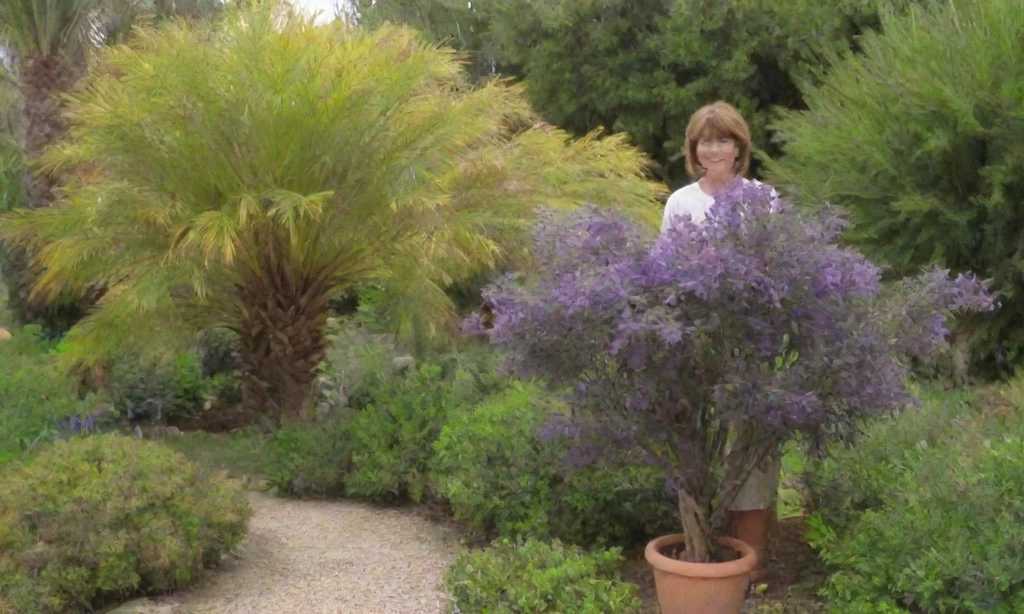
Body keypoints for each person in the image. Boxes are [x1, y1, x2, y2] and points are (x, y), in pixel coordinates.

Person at [661, 101, 781, 582]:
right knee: (698, 441)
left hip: (750, 340)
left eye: (722, 139)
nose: (713, 148)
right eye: (704, 140)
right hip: (695, 339)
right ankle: (704, 552)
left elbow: (778, 267)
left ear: (739, 146)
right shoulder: (680, 203)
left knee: (751, 444)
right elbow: (663, 272)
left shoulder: (764, 199)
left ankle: (749, 562)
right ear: (694, 149)